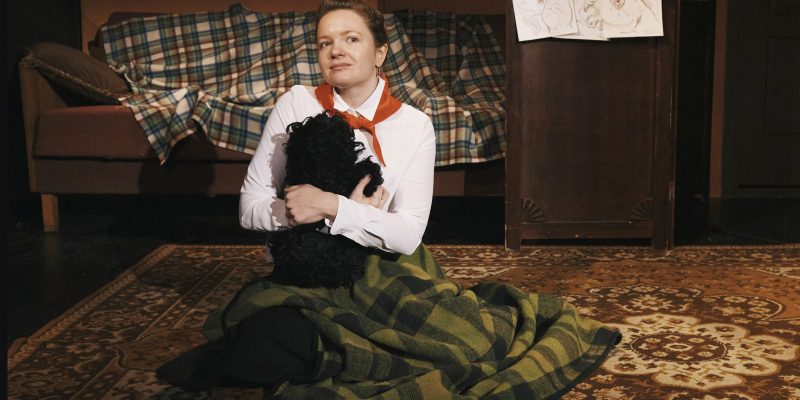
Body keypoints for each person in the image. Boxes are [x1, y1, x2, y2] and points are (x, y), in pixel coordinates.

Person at [158, 1, 620, 397]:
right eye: (325, 42)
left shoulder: (414, 125)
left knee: (468, 347)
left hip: (388, 269)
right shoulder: (296, 104)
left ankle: (356, 353)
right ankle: (331, 352)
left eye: (351, 39)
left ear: (379, 52)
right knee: (257, 351)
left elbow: (406, 234)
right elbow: (249, 208)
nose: (336, 50)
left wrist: (333, 206)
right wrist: (295, 211)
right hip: (306, 270)